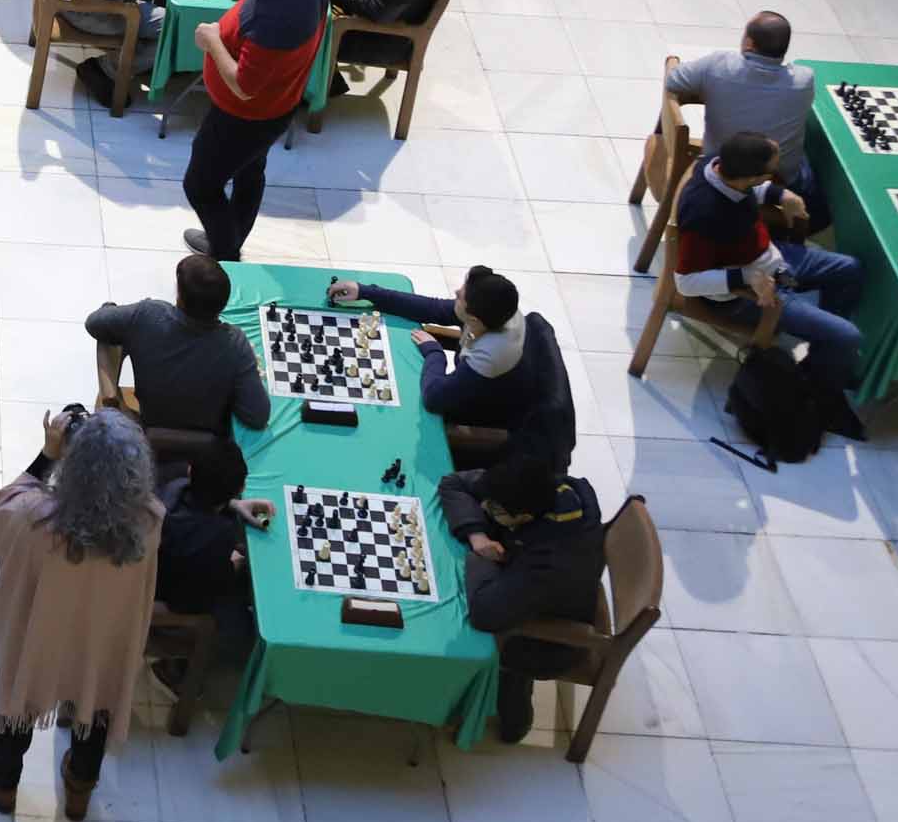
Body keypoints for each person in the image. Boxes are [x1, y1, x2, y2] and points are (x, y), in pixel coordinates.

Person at [0, 404, 163, 821]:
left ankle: (3, 780)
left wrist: (48, 454)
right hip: (102, 640)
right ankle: (80, 786)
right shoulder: (149, 521)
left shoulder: (36, 521)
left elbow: (4, 504)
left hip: (43, 637)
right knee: (97, 697)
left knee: (21, 692)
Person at [672, 130, 865, 404]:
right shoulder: (704, 215)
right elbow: (686, 282)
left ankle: (820, 357)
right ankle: (821, 383)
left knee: (850, 270)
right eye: (770, 173)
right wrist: (747, 277)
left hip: (770, 256)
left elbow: (752, 189)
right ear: (751, 177)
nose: (772, 176)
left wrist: (781, 194)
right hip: (746, 292)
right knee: (849, 336)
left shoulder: (718, 165)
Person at [183, 0, 331, 263]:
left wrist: (212, 40)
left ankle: (225, 254)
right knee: (250, 171)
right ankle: (229, 236)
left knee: (201, 185)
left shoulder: (279, 22)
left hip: (245, 116)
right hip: (276, 106)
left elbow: (244, 86)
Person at [437, 452, 607, 744]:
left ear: (524, 517)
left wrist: (479, 557)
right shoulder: (542, 487)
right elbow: (454, 483)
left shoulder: (551, 561)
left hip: (551, 639)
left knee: (453, 621)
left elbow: (485, 613)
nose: (486, 508)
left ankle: (515, 720)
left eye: (495, 509)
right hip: (541, 587)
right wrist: (478, 535)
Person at [331, 266, 576, 463]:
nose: (456, 292)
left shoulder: (493, 354)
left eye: (461, 295)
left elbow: (434, 398)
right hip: (465, 389)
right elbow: (434, 308)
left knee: (375, 416)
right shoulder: (496, 312)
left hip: (481, 416)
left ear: (474, 319)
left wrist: (434, 353)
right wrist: (366, 292)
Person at [87, 253, 266, 431]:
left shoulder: (148, 315)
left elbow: (94, 323)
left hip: (149, 432)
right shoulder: (235, 344)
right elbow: (257, 417)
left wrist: (111, 309)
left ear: (180, 296)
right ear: (223, 304)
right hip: (206, 446)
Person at [669, 12, 817, 206]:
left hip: (721, 169)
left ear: (748, 43)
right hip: (777, 179)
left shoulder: (718, 65)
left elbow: (674, 79)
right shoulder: (804, 80)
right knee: (813, 159)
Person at [152, 432, 271, 622]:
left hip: (153, 568)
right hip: (172, 592)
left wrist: (233, 504)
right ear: (241, 489)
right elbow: (200, 589)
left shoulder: (171, 481)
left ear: (191, 470)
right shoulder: (219, 534)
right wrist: (236, 565)